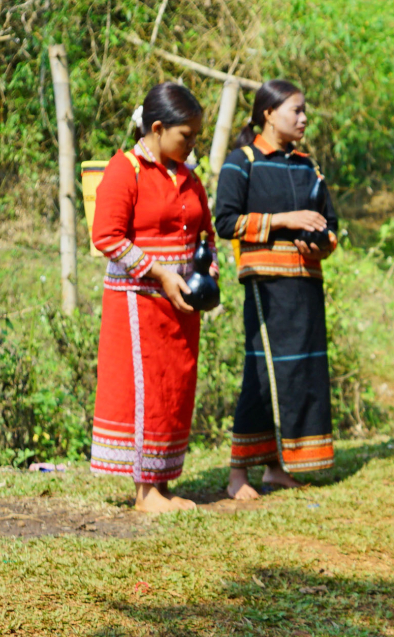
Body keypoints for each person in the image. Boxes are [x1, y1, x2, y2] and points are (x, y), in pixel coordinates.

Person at [90, 82, 216, 513]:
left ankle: (160, 483)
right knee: (145, 391)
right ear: (158, 128)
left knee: (173, 390)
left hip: (180, 304)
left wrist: (207, 270)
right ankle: (145, 493)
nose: (193, 144)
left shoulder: (188, 176)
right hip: (138, 304)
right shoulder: (125, 170)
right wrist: (160, 273)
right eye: (187, 136)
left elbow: (205, 234)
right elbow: (106, 236)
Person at [213, 80, 340, 501]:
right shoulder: (241, 161)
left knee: (299, 373)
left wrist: (320, 242)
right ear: (267, 113)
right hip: (265, 286)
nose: (303, 119)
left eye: (305, 112)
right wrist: (285, 221)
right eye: (296, 111)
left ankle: (277, 468)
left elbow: (330, 225)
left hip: (306, 284)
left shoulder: (309, 166)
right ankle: (237, 475)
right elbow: (226, 222)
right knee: (263, 374)